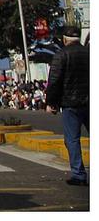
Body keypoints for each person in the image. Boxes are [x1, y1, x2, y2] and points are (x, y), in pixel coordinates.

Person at [46, 26, 89, 186]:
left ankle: (79, 174)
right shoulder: (90, 52)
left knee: (72, 139)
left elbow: (54, 81)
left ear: (64, 40)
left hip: (71, 104)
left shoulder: (61, 55)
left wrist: (51, 103)